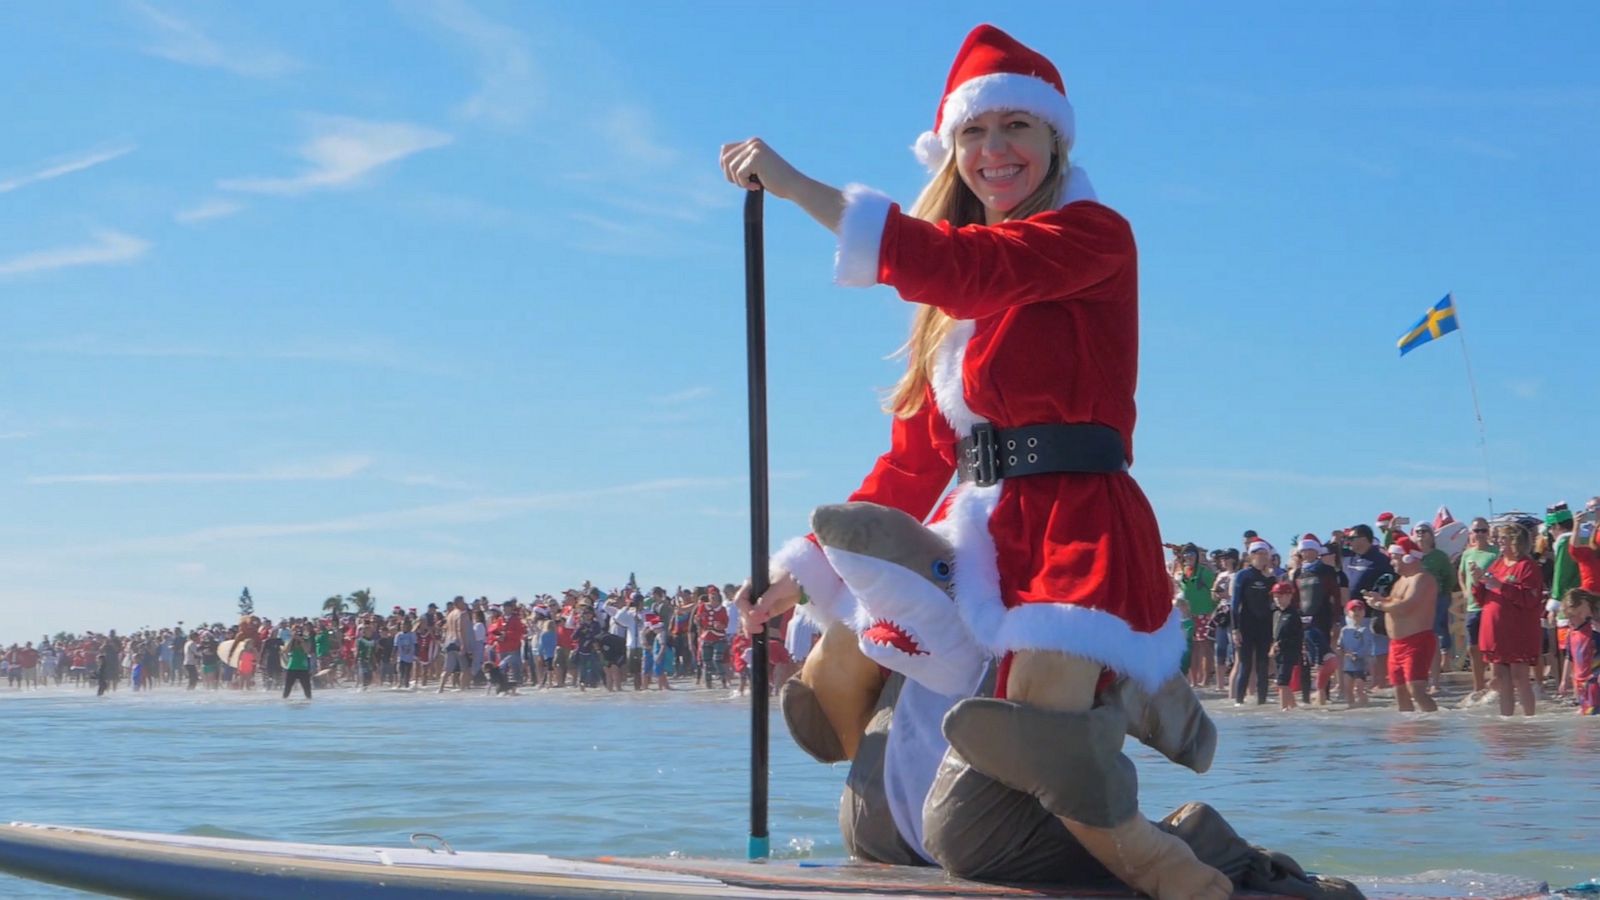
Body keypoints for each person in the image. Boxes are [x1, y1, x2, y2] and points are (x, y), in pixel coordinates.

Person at [727, 25, 1347, 899]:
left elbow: (966, 267)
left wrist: (795, 189)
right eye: (974, 133)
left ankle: (1224, 867)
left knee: (973, 830)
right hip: (981, 541)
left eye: (1016, 125)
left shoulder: (1091, 237)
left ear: (1057, 136)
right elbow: (912, 459)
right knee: (874, 819)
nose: (994, 150)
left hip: (1072, 540)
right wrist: (798, 571)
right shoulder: (956, 308)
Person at [1471, 523, 1545, 717]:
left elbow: (1530, 598)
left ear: (1515, 542)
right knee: (1501, 679)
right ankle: (1507, 721)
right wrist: (1477, 581)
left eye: (1503, 539)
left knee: (1520, 677)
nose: (1498, 543)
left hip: (1517, 630)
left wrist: (1500, 586)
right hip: (1495, 631)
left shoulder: (1527, 567)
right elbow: (1482, 598)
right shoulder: (1497, 564)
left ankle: (1529, 719)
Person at [1363, 536, 1438, 713]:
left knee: (1416, 690)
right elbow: (1395, 601)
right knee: (1400, 693)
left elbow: (1406, 606)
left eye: (1394, 557)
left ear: (1408, 557)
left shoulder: (1422, 578)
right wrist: (1380, 598)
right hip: (1396, 644)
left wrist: (1380, 605)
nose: (1391, 562)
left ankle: (1436, 728)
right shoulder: (1401, 580)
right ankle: (1408, 734)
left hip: (1417, 641)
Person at [1341, 523, 1395, 689]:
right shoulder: (1349, 557)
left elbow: (1391, 580)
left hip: (1373, 611)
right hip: (1352, 612)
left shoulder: (1380, 559)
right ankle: (1360, 684)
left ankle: (1380, 681)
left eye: (1352, 538)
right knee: (1355, 648)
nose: (1349, 541)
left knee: (1378, 648)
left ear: (1364, 539)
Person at [1291, 535, 1341, 705]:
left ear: (1316, 550)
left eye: (1309, 549)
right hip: (1303, 621)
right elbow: (1294, 598)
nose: (1305, 553)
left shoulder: (1326, 570)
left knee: (1324, 658)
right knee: (1304, 659)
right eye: (1303, 550)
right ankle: (1306, 698)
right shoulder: (1298, 572)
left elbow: (1335, 596)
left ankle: (1324, 696)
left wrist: (1336, 621)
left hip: (1322, 618)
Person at [1410, 521, 1457, 689]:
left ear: (1432, 535)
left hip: (1436, 599)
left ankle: (1435, 681)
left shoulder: (1439, 556)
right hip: (1414, 603)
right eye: (1418, 531)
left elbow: (1449, 577)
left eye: (1425, 531)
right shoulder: (1410, 556)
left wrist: (1442, 593)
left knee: (1434, 637)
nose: (1421, 534)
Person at [1231, 540, 1277, 706]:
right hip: (1245, 626)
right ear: (1251, 556)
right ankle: (1239, 702)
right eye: (1259, 554)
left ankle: (1262, 702)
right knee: (1246, 664)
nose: (1262, 557)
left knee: (1263, 665)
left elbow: (1275, 605)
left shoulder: (1271, 577)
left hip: (1264, 626)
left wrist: (1271, 579)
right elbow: (1235, 604)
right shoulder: (1243, 575)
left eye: (1265, 554)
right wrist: (1235, 629)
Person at [1457, 516, 1498, 695]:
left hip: (1489, 604)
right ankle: (1478, 686)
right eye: (1477, 531)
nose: (1480, 534)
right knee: (1473, 648)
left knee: (1492, 647)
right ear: (1471, 533)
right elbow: (1460, 574)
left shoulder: (1495, 553)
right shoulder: (1467, 553)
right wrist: (1465, 592)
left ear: (1488, 532)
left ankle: (1495, 685)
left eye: (1483, 530)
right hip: (1472, 606)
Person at [1173, 544, 1216, 689]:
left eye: (1191, 555)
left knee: (1204, 646)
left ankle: (1205, 679)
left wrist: (1213, 610)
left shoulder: (1204, 572)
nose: (1188, 558)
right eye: (1186, 555)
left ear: (1196, 557)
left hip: (1205, 613)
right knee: (1191, 647)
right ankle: (1194, 680)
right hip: (1188, 615)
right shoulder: (1182, 572)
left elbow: (1215, 589)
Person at [1563, 588, 1600, 715]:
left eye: (1577, 614)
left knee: (1593, 710)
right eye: (1571, 616)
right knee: (1586, 712)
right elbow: (1569, 656)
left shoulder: (1594, 626)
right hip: (1581, 680)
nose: (1573, 620)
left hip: (1594, 675)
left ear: (1584, 605)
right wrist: (1564, 680)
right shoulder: (1573, 632)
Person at [1268, 583, 1301, 711]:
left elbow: (1295, 636)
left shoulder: (1293, 615)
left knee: (1282, 682)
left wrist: (1279, 644)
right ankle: (1293, 707)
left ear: (1289, 596)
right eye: (1275, 596)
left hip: (1289, 651)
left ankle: (1283, 709)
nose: (1277, 599)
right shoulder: (1275, 612)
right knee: (1282, 680)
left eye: (1280, 595)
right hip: (1278, 652)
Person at [1337, 601, 1373, 708]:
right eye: (1353, 610)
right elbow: (1340, 644)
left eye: (1359, 610)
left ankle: (1365, 705)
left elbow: (1366, 646)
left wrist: (1357, 654)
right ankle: (1351, 707)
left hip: (1360, 665)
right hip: (1348, 665)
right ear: (1348, 613)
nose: (1356, 612)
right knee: (1348, 689)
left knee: (1359, 689)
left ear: (1363, 613)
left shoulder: (1365, 630)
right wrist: (1340, 649)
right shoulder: (1344, 630)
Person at [282, 627, 313, 700]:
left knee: (307, 691)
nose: (298, 633)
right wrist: (293, 638)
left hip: (303, 668)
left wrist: (301, 640)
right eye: (295, 631)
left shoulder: (306, 640)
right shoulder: (290, 641)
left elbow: (307, 651)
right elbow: (286, 651)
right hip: (292, 667)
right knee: (287, 689)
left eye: (299, 631)